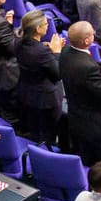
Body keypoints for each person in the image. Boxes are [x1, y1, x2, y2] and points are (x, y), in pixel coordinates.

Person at [61, 20, 101, 168]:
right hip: (97, 128)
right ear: (87, 40)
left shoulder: (66, 53)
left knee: (86, 160)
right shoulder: (87, 66)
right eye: (92, 33)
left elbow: (87, 74)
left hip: (77, 120)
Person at [15, 11, 65, 146]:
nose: (48, 26)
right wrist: (56, 53)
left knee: (34, 128)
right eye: (45, 24)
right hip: (45, 99)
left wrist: (46, 48)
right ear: (38, 29)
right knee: (48, 134)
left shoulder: (19, 42)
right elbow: (57, 74)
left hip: (26, 93)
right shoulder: (42, 53)